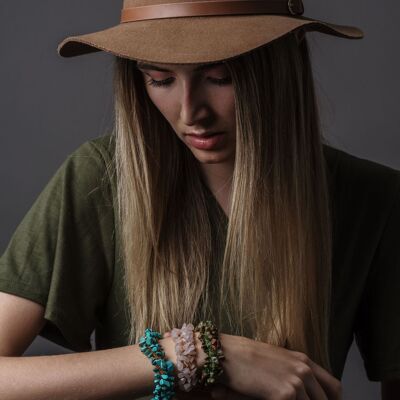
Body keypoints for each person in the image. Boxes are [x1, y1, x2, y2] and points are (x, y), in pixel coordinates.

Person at [0, 0, 399, 399]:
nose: (191, 112)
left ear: (283, 65)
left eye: (219, 77)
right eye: (160, 80)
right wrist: (193, 354)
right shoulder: (100, 179)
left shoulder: (373, 200)